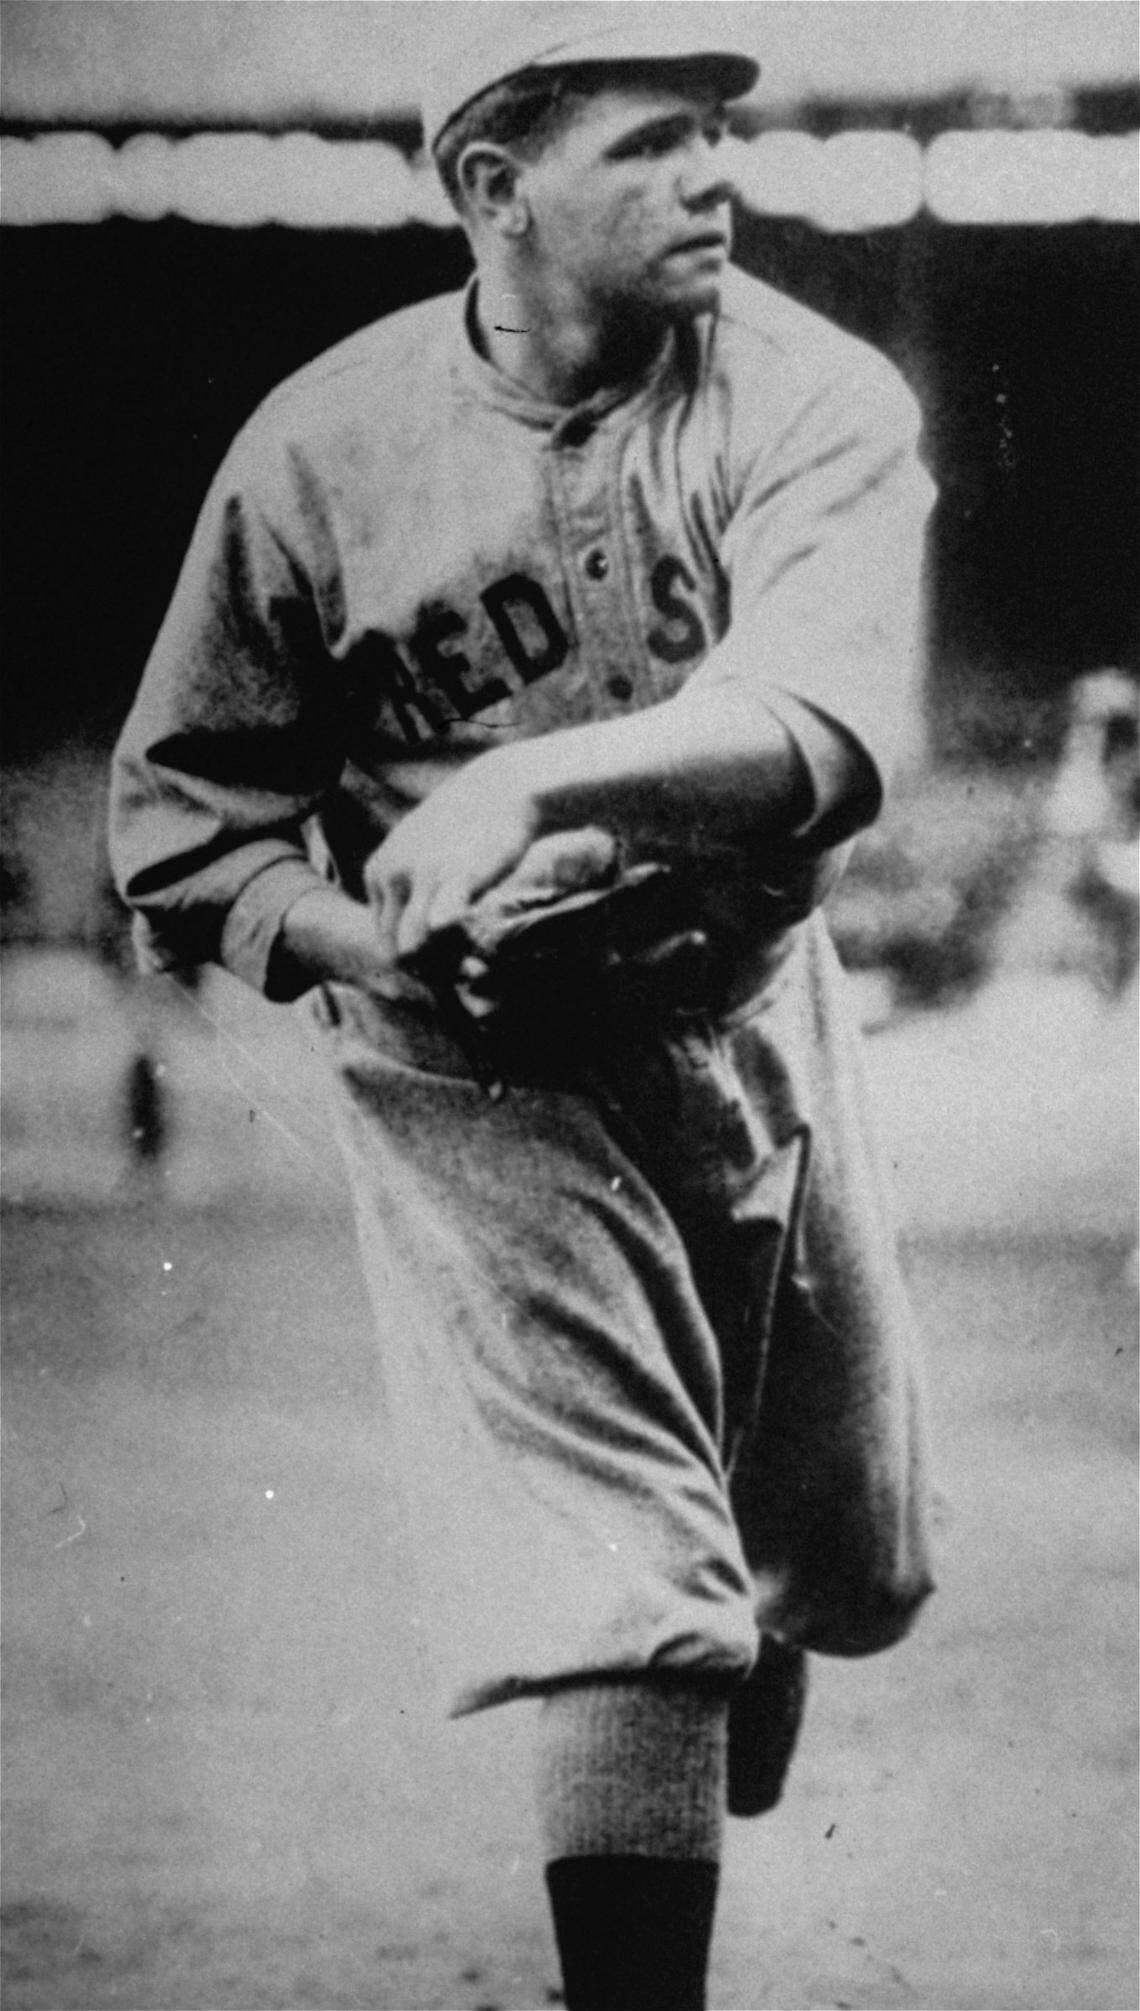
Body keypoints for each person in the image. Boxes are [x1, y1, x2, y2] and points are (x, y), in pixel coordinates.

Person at [109, 7, 937, 2005]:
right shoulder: (319, 450)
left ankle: (735, 1629)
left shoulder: (811, 396)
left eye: (717, 136)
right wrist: (364, 943)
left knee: (845, 1554)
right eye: (655, 142)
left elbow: (835, 725)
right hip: (468, 1050)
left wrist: (534, 777)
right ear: (494, 187)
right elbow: (183, 825)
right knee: (621, 1585)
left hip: (746, 1001)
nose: (714, 174)